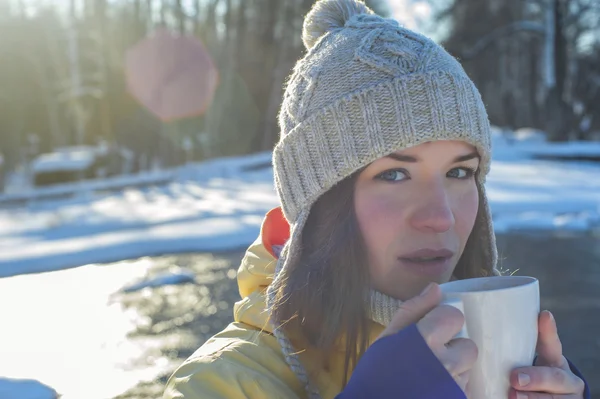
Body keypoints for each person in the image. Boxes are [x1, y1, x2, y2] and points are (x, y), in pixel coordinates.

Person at [164, 0, 591, 398]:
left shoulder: (505, 357)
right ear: (319, 203)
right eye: (394, 174)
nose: (440, 217)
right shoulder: (220, 382)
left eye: (459, 172)